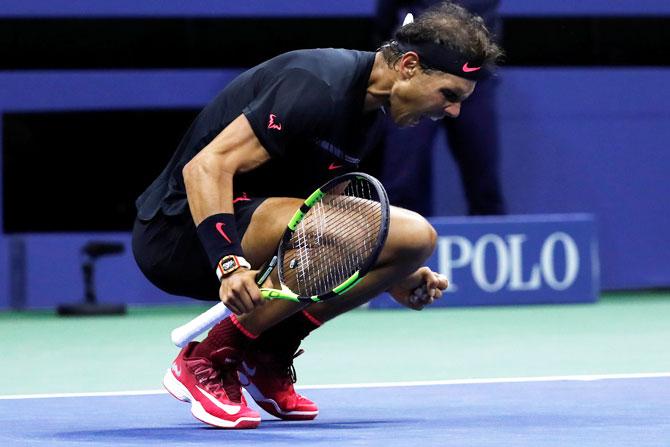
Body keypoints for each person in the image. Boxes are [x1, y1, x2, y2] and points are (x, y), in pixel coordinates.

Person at [132, 1, 501, 429]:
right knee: (385, 232)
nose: (452, 112)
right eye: (449, 95)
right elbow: (206, 167)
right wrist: (228, 264)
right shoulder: (316, 84)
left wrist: (394, 272)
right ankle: (209, 359)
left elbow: (331, 207)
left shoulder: (367, 114)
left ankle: (268, 351)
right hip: (179, 233)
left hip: (252, 229)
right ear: (409, 66)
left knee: (413, 242)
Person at [372, 0, 505, 216]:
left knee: (485, 184)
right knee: (403, 182)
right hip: (422, 75)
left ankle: (495, 242)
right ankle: (403, 244)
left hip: (476, 82)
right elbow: (384, 16)